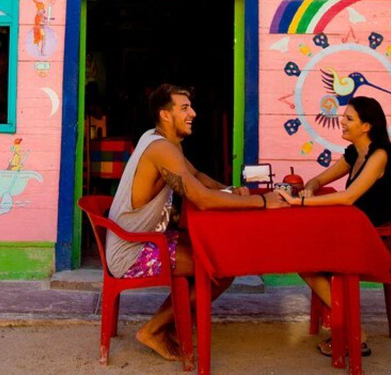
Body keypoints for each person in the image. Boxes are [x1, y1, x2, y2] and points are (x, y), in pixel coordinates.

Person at [105, 83, 282, 362]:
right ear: (165, 115)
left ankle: (174, 324)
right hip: (132, 252)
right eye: (184, 108)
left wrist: (229, 189)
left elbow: (196, 175)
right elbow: (201, 199)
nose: (193, 113)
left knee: (215, 253)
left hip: (141, 241)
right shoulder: (161, 148)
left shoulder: (160, 140)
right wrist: (263, 202)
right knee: (220, 268)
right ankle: (153, 330)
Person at [274, 96, 391, 358]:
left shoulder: (379, 155)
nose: (341, 122)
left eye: (349, 118)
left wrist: (300, 202)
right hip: (355, 231)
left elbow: (348, 197)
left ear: (366, 126)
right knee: (300, 254)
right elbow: (320, 178)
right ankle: (345, 323)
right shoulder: (356, 152)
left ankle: (353, 330)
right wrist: (310, 186)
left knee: (304, 258)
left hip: (377, 240)